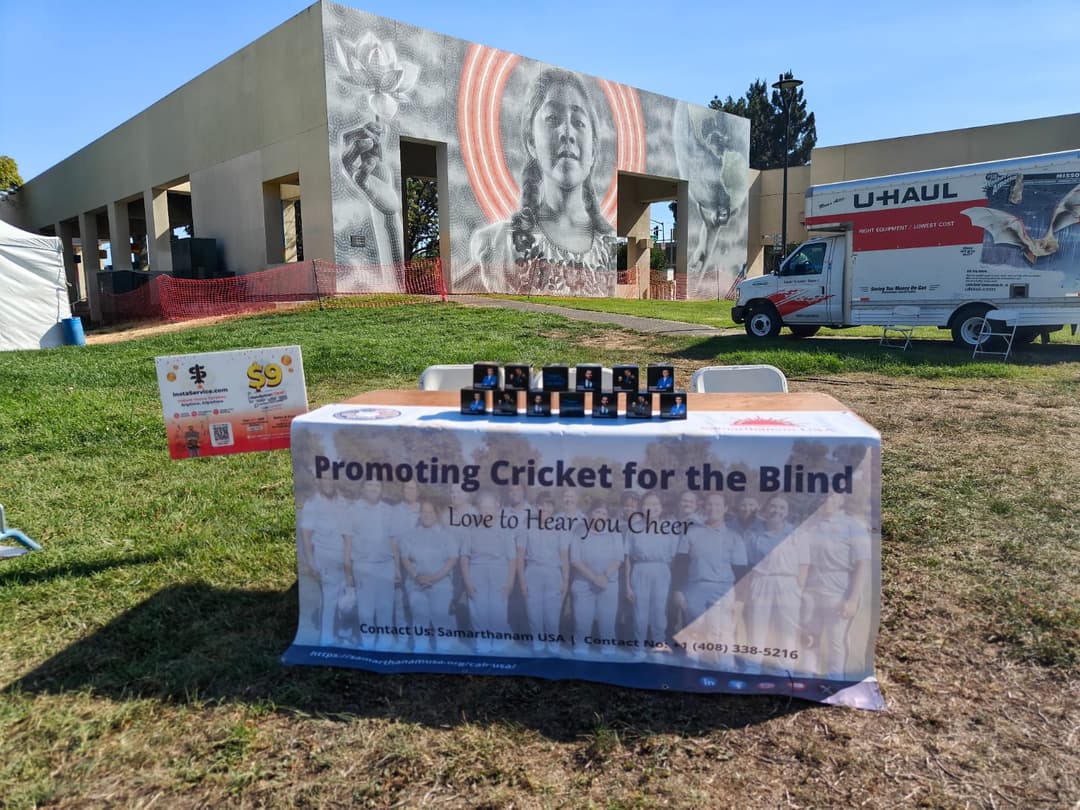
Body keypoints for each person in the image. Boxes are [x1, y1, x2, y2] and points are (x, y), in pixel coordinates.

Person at [464, 69, 617, 296]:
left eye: (578, 122)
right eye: (552, 118)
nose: (567, 133)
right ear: (530, 141)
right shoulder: (497, 244)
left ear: (594, 150)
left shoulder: (611, 247)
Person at [800, 492, 871, 679]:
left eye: (832, 497)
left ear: (841, 500)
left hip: (839, 592)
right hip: (812, 591)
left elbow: (862, 565)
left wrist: (852, 600)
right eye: (823, 497)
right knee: (809, 637)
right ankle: (807, 679)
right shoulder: (810, 526)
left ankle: (833, 682)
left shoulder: (853, 527)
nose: (826, 501)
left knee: (835, 641)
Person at [672, 494, 746, 670]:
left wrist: (739, 598)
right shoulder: (692, 532)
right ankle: (692, 671)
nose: (713, 508)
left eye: (718, 504)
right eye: (709, 504)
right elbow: (681, 563)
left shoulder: (734, 536)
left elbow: (740, 570)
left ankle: (725, 670)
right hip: (694, 588)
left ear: (726, 508)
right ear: (704, 507)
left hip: (723, 589)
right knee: (693, 633)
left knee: (721, 633)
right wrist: (677, 590)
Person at [743, 495, 808, 674]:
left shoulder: (797, 533)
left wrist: (799, 589)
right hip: (761, 581)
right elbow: (747, 564)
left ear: (787, 512)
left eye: (781, 508)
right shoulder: (753, 535)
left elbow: (804, 564)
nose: (776, 511)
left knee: (786, 630)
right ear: (765, 509)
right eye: (773, 506)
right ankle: (752, 669)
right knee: (756, 627)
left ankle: (784, 671)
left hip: (788, 583)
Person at [344, 479, 401, 651]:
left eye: (377, 486)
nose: (373, 488)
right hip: (363, 566)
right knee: (366, 609)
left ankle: (385, 641)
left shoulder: (389, 511)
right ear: (362, 488)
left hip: (386, 565)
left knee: (385, 607)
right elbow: (348, 543)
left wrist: (397, 567)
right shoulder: (352, 510)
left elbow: (393, 542)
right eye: (369, 485)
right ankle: (368, 640)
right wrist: (348, 573)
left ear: (381, 490)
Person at [459, 491, 518, 654]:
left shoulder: (505, 530)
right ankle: (482, 641)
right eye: (483, 508)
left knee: (498, 608)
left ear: (497, 507)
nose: (486, 511)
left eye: (489, 507)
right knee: (478, 608)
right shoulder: (471, 530)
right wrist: (468, 581)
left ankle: (499, 639)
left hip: (500, 572)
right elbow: (464, 557)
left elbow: (512, 558)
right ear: (478, 509)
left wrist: (510, 582)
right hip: (476, 571)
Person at [399, 500, 459, 652]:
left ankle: (442, 651)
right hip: (416, 584)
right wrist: (416, 576)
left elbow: (452, 559)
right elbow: (405, 558)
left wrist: (435, 578)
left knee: (440, 618)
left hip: (441, 584)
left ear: (436, 514)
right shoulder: (410, 534)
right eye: (424, 512)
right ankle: (420, 650)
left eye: (430, 512)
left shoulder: (447, 535)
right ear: (419, 514)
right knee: (420, 618)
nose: (427, 515)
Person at [297, 476, 349, 647]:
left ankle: (341, 632)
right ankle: (326, 638)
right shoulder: (313, 504)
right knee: (329, 598)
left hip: (344, 558)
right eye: (324, 479)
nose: (328, 482)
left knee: (344, 598)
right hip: (324, 557)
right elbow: (306, 536)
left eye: (331, 479)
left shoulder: (342, 501)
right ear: (318, 481)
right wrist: (312, 564)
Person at [625, 493, 680, 656]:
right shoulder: (633, 527)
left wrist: (670, 579)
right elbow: (627, 557)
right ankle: (638, 648)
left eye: (656, 504)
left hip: (662, 570)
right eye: (648, 504)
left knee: (659, 611)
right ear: (641, 508)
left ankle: (659, 645)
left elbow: (674, 558)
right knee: (640, 612)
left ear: (661, 508)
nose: (652, 508)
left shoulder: (670, 528)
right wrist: (627, 585)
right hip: (640, 569)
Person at [570, 502, 626, 657]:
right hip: (584, 584)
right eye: (597, 512)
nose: (600, 516)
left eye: (604, 513)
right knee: (582, 623)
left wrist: (605, 576)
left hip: (608, 584)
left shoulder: (615, 535)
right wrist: (594, 578)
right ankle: (581, 651)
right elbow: (575, 560)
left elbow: (618, 558)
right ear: (590, 515)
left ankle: (608, 652)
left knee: (607, 623)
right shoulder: (579, 534)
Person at [518, 491, 569, 653]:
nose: (545, 508)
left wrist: (565, 581)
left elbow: (564, 557)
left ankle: (553, 647)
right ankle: (537, 645)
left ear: (553, 507)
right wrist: (522, 581)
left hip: (553, 573)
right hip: (532, 572)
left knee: (552, 616)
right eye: (541, 505)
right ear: (535, 507)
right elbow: (520, 557)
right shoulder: (527, 526)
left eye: (549, 505)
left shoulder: (560, 528)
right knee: (534, 614)